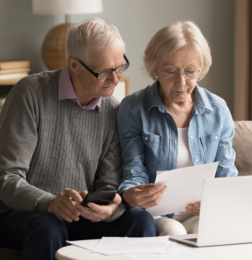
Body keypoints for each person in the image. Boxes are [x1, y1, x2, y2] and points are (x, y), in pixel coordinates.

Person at [0, 18, 157, 260]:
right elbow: (7, 177)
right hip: (21, 213)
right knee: (49, 226)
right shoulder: (29, 93)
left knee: (140, 221)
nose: (115, 80)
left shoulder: (114, 110)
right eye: (104, 72)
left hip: (78, 218)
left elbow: (107, 184)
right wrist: (49, 202)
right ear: (73, 65)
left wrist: (109, 207)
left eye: (119, 67)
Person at [117, 21, 238, 236]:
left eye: (190, 72)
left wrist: (216, 202)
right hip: (158, 214)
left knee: (209, 230)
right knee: (174, 232)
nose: (182, 83)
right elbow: (133, 170)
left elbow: (227, 175)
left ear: (201, 69)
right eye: (171, 72)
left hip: (201, 212)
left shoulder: (218, 111)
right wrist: (133, 193)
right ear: (155, 70)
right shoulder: (134, 108)